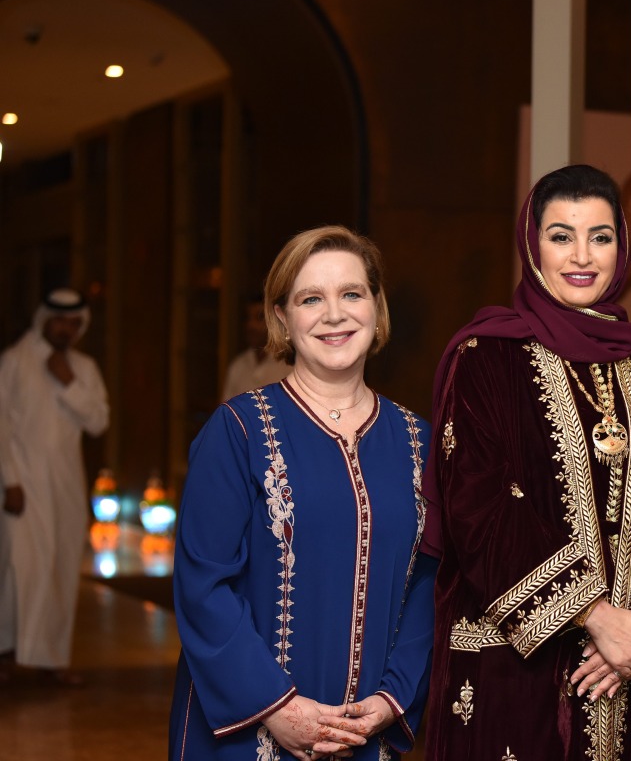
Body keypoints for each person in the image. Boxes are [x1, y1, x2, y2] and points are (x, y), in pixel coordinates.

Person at [421, 164, 631, 760]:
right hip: (520, 675)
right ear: (532, 245)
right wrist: (596, 618)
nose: (582, 255)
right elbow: (479, 511)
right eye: (561, 235)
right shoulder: (486, 358)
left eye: (601, 235)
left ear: (622, 245)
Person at [168, 226, 436, 760]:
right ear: (282, 318)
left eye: (352, 294)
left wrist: (391, 699)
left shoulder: (419, 441)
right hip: (249, 734)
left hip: (367, 734)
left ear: (377, 310)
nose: (334, 314)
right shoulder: (237, 431)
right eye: (311, 298)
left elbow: (429, 584)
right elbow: (203, 586)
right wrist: (280, 708)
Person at [0, 288, 110, 685]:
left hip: (65, 485)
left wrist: (68, 384)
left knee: (61, 570)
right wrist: (9, 481)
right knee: (20, 570)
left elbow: (98, 421)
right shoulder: (14, 361)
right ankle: (10, 656)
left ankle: (50, 662)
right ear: (44, 319)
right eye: (59, 321)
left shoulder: (84, 367)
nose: (66, 329)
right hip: (21, 485)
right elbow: (2, 427)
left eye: (74, 323)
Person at [221, 296, 294, 400]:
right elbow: (227, 413)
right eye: (248, 318)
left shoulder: (288, 365)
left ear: (273, 321)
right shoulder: (238, 366)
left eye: (259, 318)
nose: (251, 325)